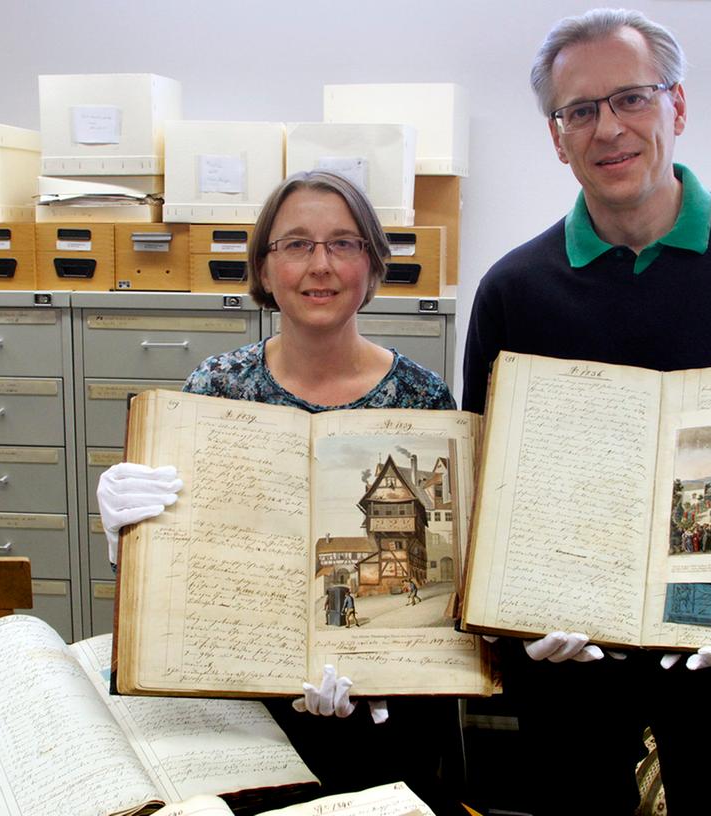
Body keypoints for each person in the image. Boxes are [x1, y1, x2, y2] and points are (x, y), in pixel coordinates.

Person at [462, 9, 711, 815]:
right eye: (579, 110)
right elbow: (485, 484)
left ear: (675, 108)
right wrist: (508, 621)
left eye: (631, 99)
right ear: (556, 136)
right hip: (569, 657)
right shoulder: (515, 290)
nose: (608, 128)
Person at [100, 170, 461, 811]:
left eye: (343, 243)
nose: (319, 265)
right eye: (296, 244)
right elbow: (188, 559)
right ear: (264, 270)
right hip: (243, 704)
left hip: (384, 714)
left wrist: (388, 671)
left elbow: (449, 560)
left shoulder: (425, 399)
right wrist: (129, 538)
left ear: (373, 265)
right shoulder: (217, 387)